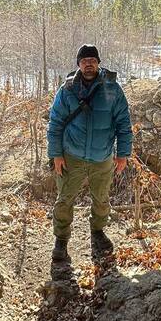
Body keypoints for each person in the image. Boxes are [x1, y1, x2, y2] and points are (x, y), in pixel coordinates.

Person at [47, 44, 133, 262]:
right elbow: (55, 122)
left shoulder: (113, 89)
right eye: (84, 61)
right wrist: (56, 154)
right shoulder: (67, 89)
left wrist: (123, 153)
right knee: (64, 199)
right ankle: (61, 240)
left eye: (92, 61)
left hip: (102, 157)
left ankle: (98, 231)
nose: (88, 64)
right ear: (78, 64)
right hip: (71, 156)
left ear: (98, 63)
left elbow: (123, 123)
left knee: (102, 199)